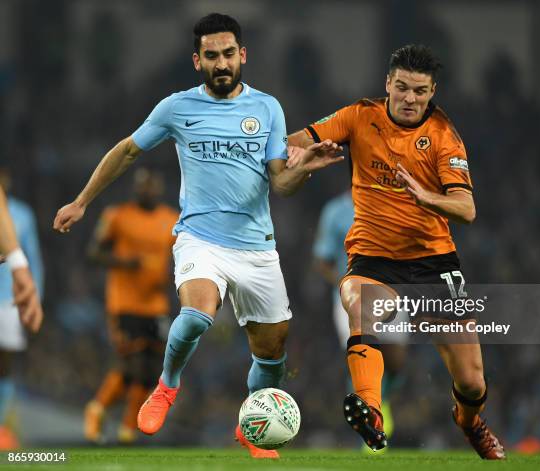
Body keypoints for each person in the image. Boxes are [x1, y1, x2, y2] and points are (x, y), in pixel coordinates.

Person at [53, 13, 341, 459]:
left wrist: (302, 168)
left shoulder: (268, 108)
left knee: (273, 351)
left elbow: (280, 184)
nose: (221, 63)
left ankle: (251, 426)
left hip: (257, 247)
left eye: (228, 54)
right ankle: (166, 387)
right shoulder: (176, 108)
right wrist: (82, 201)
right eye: (211, 56)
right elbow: (128, 150)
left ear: (242, 55)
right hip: (199, 239)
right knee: (196, 314)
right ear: (197, 60)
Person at [288, 44, 505, 459]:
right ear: (388, 83)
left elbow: (467, 208)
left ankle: (469, 422)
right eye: (402, 88)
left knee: (473, 383)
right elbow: (292, 141)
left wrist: (427, 197)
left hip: (433, 264)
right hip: (373, 259)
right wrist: (303, 156)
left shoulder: (443, 136)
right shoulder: (359, 116)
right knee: (358, 301)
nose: (410, 99)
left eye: (420, 91)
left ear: (432, 91)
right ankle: (370, 409)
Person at [83, 168, 178, 444]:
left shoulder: (170, 219)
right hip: (124, 303)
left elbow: (179, 254)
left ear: (159, 188)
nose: (148, 190)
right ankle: (107, 415)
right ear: (135, 188)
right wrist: (125, 263)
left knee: (150, 369)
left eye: (153, 185)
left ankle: (115, 419)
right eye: (143, 185)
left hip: (156, 304)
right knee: (133, 363)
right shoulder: (117, 216)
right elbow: (93, 253)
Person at [312, 190, 405, 452]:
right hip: (352, 295)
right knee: (360, 354)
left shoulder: (393, 201)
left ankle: (381, 400)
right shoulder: (335, 211)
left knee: (396, 360)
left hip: (389, 290)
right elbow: (322, 260)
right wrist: (344, 286)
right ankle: (370, 423)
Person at [0, 169, 44, 450]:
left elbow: (31, 257)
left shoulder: (21, 214)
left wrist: (34, 295)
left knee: (4, 366)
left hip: (8, 301)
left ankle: (2, 427)